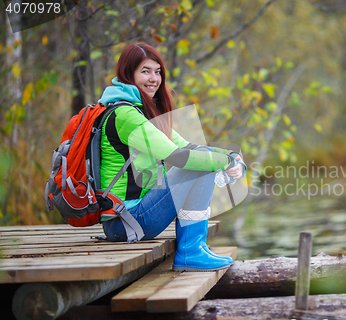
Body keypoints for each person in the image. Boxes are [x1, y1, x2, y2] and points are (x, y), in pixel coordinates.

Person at [97, 43, 246, 271]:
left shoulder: (139, 111)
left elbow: (189, 147)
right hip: (125, 222)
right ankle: (191, 251)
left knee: (202, 157)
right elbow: (178, 158)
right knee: (199, 162)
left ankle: (195, 248)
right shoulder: (124, 115)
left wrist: (233, 156)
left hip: (133, 217)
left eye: (157, 72)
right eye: (145, 71)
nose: (153, 79)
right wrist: (225, 163)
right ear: (128, 73)